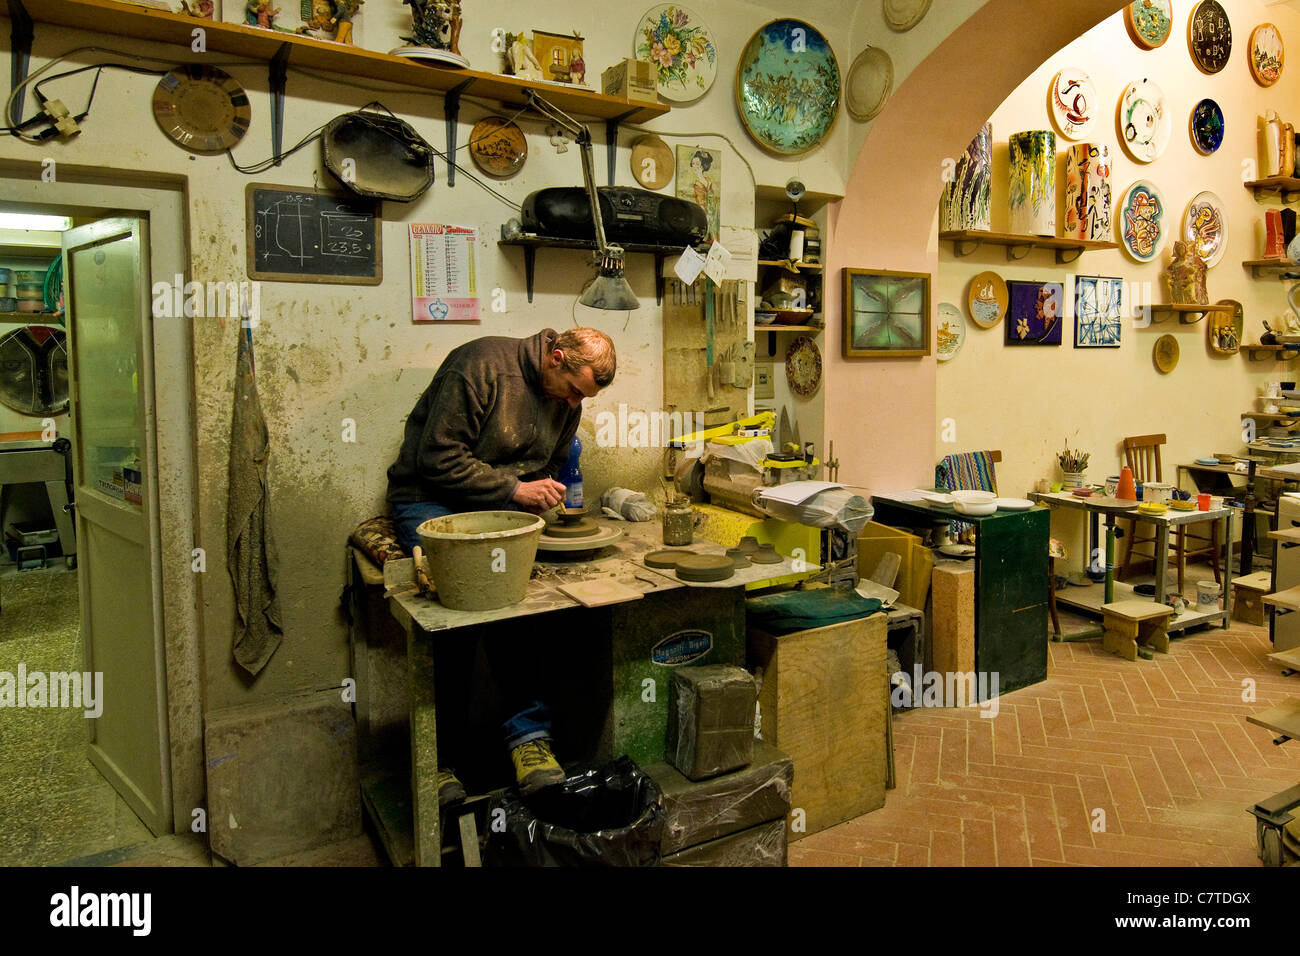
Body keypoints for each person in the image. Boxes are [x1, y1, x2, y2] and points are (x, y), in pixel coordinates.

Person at [386, 327, 616, 797]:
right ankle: (440, 758)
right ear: (555, 358)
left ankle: (527, 738)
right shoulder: (480, 366)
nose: (574, 405)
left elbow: (548, 466)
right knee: (459, 611)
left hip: (495, 505)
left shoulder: (567, 402)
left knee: (522, 606)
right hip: (430, 499)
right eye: (574, 391)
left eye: (583, 398)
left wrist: (540, 493)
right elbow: (437, 458)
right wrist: (514, 490)